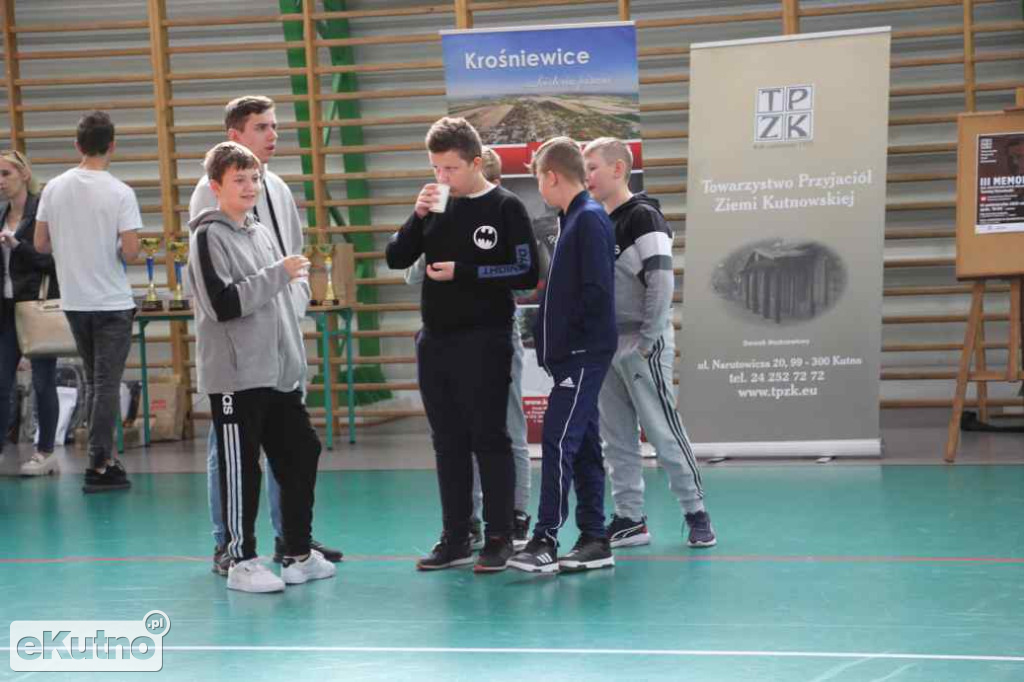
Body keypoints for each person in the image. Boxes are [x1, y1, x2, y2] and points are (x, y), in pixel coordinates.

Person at [189, 95, 342, 574]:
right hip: (238, 363)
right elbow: (223, 297)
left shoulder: (274, 193)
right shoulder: (209, 210)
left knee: (295, 448)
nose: (272, 135)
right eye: (261, 127)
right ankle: (231, 547)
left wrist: (291, 313)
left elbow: (293, 260)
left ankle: (292, 540)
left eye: (274, 126)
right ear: (235, 135)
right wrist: (277, 281)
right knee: (233, 456)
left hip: (278, 351)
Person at [386, 117, 539, 573]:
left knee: (490, 438)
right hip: (436, 340)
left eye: (450, 168)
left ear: (475, 163)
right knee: (447, 442)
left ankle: (499, 536)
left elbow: (527, 272)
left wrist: (465, 272)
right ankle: (455, 536)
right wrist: (416, 217)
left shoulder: (506, 206)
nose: (442, 177)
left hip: (486, 338)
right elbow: (396, 257)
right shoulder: (434, 203)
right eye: (436, 168)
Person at [582, 137, 715, 549]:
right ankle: (630, 518)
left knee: (662, 431)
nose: (586, 176)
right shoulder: (593, 220)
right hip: (605, 346)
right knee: (616, 437)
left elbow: (660, 279)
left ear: (618, 169)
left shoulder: (643, 217)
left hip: (641, 342)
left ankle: (696, 512)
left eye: (592, 167)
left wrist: (648, 338)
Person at [508, 137, 617, 574]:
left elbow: (596, 291)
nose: (540, 187)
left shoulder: (587, 219)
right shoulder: (573, 218)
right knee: (584, 444)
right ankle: (594, 537)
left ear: (551, 176)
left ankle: (545, 538)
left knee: (557, 441)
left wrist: (571, 343)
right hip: (573, 355)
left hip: (582, 354)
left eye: (539, 179)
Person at [34, 111, 140, 494]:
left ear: (77, 145)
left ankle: (104, 457)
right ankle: (98, 463)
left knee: (96, 381)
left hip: (75, 301)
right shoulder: (120, 192)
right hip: (111, 301)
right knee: (106, 384)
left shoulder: (53, 188)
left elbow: (40, 244)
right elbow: (131, 252)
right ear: (112, 145)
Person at [0, 150, 60, 476]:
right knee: (1, 382)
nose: (0, 181)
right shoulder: (0, 215)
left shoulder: (42, 213)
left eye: (6, 173)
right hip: (6, 310)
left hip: (36, 308)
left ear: (24, 174)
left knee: (42, 381)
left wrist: (18, 246)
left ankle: (45, 451)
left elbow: (55, 261)